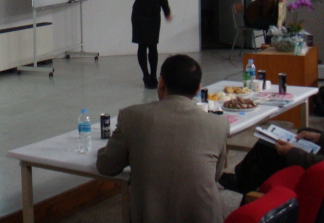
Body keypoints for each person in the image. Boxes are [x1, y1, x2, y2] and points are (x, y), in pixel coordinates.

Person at [96, 55, 230, 223]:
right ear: (198, 89)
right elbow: (215, 175)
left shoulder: (131, 116)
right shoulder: (219, 125)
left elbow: (106, 166)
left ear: (161, 83)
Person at [220, 63, 324, 194]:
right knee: (297, 135)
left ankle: (244, 184)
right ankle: (246, 182)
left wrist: (291, 152)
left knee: (269, 146)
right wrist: (320, 137)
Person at [125, 0, 172, 89]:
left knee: (153, 45)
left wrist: (167, 12)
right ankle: (145, 75)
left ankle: (153, 75)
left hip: (154, 15)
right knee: (142, 45)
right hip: (140, 15)